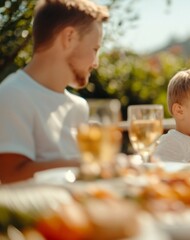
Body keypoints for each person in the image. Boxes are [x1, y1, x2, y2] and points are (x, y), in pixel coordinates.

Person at [0, 0, 109, 183]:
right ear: (69, 38)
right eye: (95, 49)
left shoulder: (79, 107)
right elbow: (10, 175)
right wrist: (87, 163)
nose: (96, 63)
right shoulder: (11, 96)